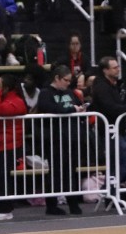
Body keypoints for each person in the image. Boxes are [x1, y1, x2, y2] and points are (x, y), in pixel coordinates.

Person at [37, 64, 88, 216]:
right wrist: (72, 109)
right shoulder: (45, 93)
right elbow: (50, 108)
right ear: (57, 78)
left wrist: (80, 108)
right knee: (55, 172)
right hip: (54, 138)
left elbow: (77, 105)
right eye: (65, 80)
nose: (68, 83)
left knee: (70, 172)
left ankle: (73, 203)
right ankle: (51, 205)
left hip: (70, 137)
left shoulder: (70, 92)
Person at [0, 73, 28, 221]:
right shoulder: (2, 99)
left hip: (8, 145)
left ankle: (5, 209)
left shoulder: (16, 102)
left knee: (2, 177)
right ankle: (1, 207)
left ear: (6, 88)